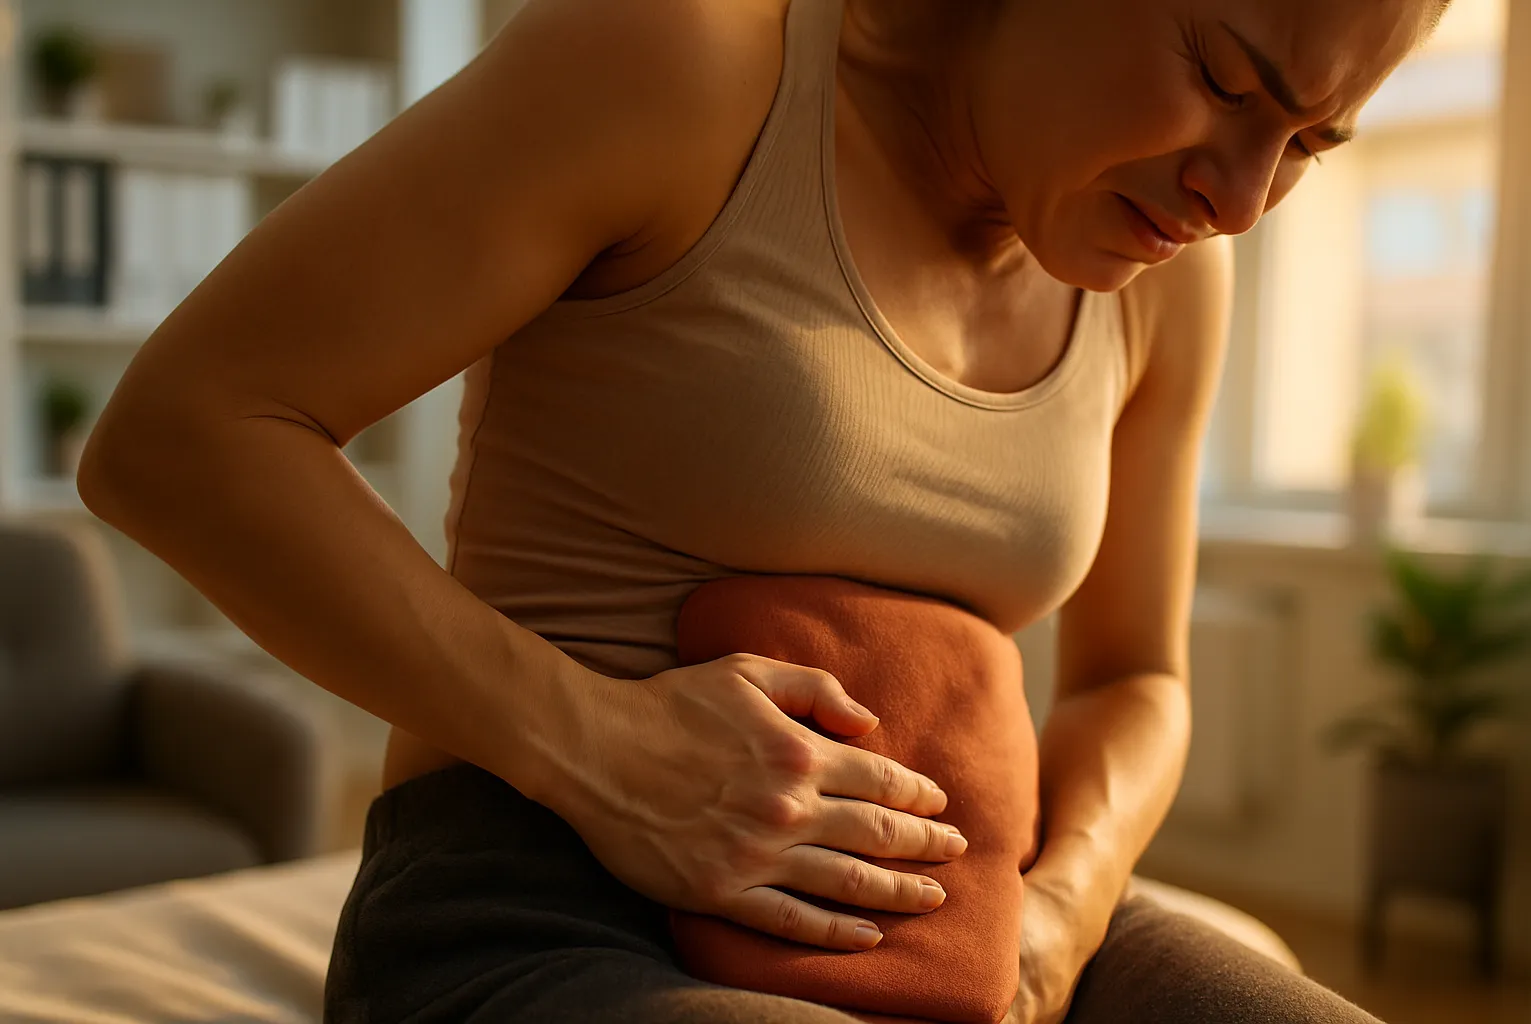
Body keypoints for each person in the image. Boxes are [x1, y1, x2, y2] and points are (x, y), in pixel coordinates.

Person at [78, 0, 1445, 1020]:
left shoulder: (1166, 279)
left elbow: (1138, 677)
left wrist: (1061, 910)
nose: (1244, 199)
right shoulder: (683, 63)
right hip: (543, 906)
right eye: (1221, 78)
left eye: (1312, 143)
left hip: (950, 917)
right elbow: (184, 434)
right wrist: (605, 752)